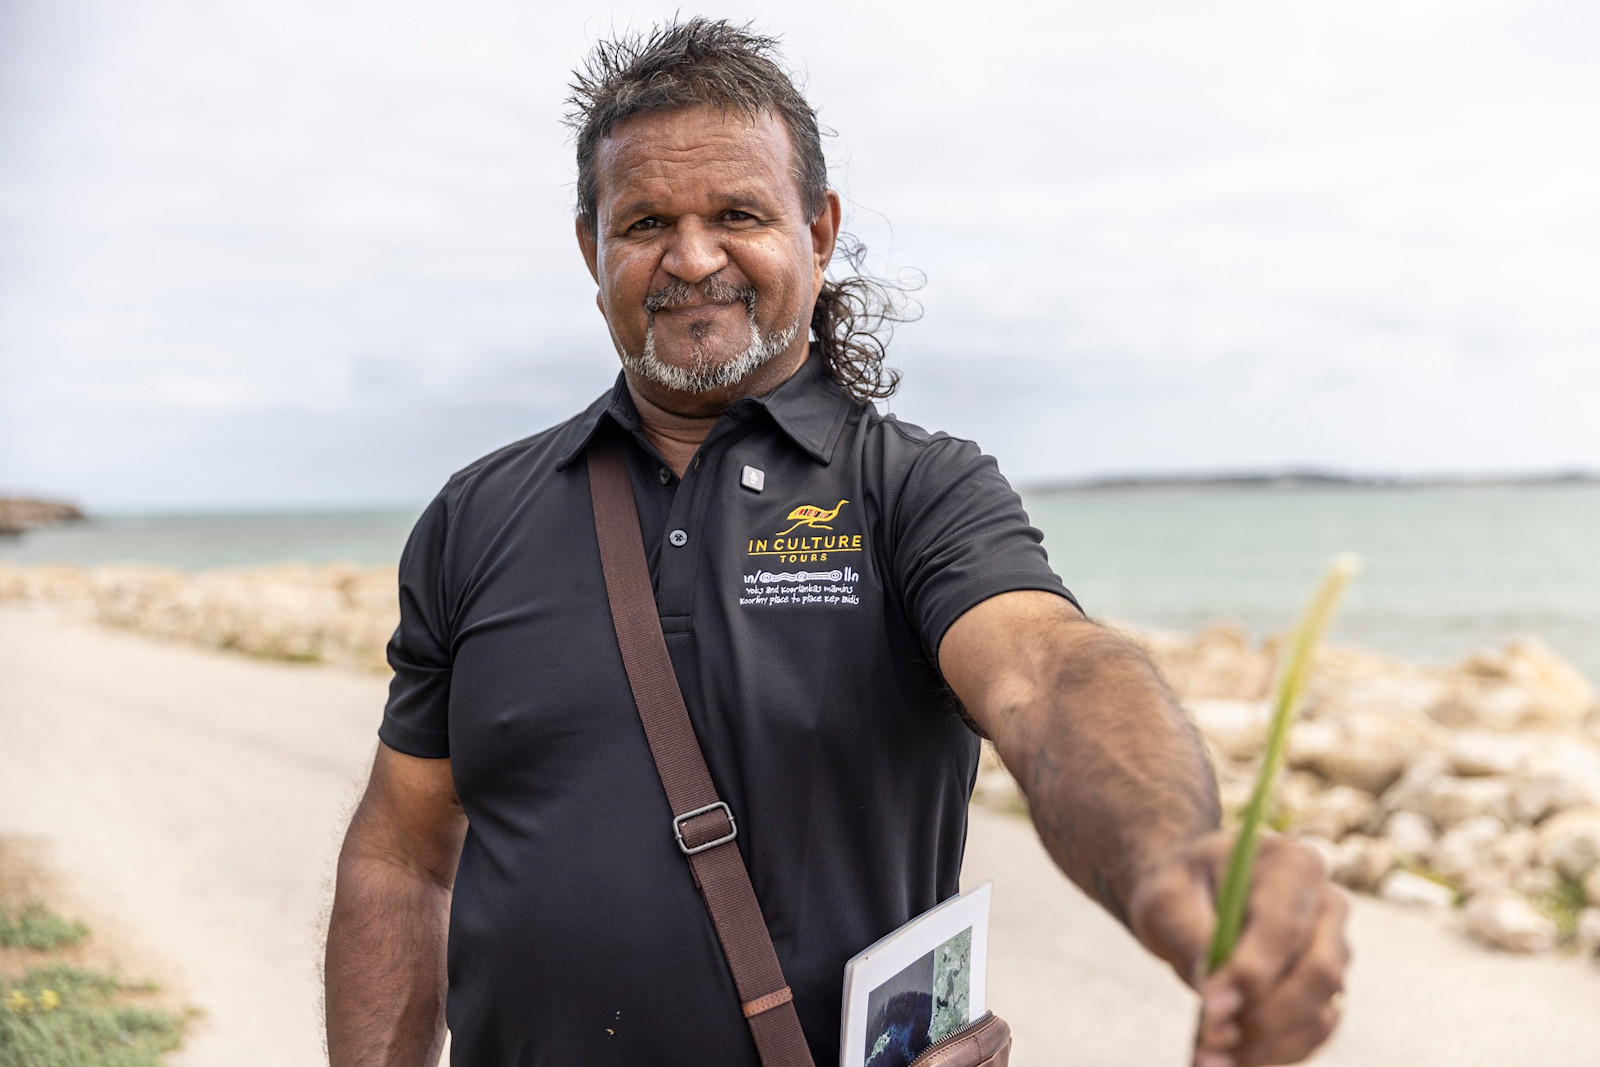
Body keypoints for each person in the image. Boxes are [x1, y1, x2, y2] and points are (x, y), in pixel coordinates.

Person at [325, 18, 1348, 1067]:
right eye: (644, 222)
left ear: (817, 232)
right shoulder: (477, 512)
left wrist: (1169, 855)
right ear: (592, 249)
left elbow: (1047, 670)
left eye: (736, 212)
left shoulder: (915, 487)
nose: (691, 257)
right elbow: (404, 851)